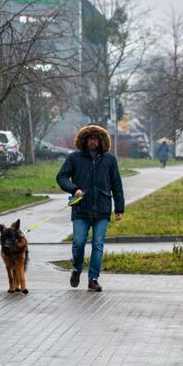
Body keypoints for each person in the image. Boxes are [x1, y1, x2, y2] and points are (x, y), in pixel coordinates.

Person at [56, 125, 125, 292]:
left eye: (96, 139)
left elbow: (116, 184)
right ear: (84, 141)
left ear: (101, 141)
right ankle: (77, 268)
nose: (93, 142)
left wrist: (119, 208)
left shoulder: (109, 160)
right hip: (81, 209)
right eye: (90, 139)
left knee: (98, 244)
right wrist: (74, 189)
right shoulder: (74, 158)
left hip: (102, 208)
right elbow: (61, 177)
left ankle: (93, 279)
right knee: (78, 243)